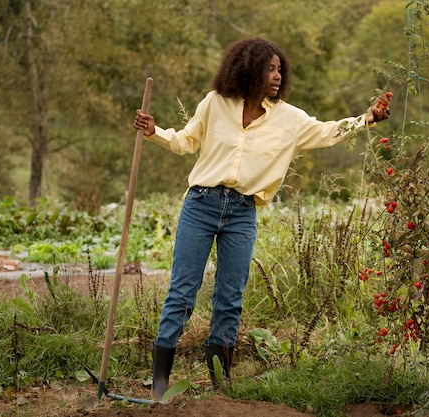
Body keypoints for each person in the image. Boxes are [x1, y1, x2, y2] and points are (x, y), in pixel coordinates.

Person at [133, 37, 390, 400]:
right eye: (269, 69)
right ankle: (160, 383)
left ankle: (221, 386)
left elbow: (328, 131)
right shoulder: (215, 104)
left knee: (229, 298)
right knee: (183, 292)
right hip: (202, 204)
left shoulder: (290, 118)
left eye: (279, 69)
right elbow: (186, 141)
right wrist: (153, 132)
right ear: (249, 69)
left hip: (242, 212)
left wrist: (368, 118)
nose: (277, 75)